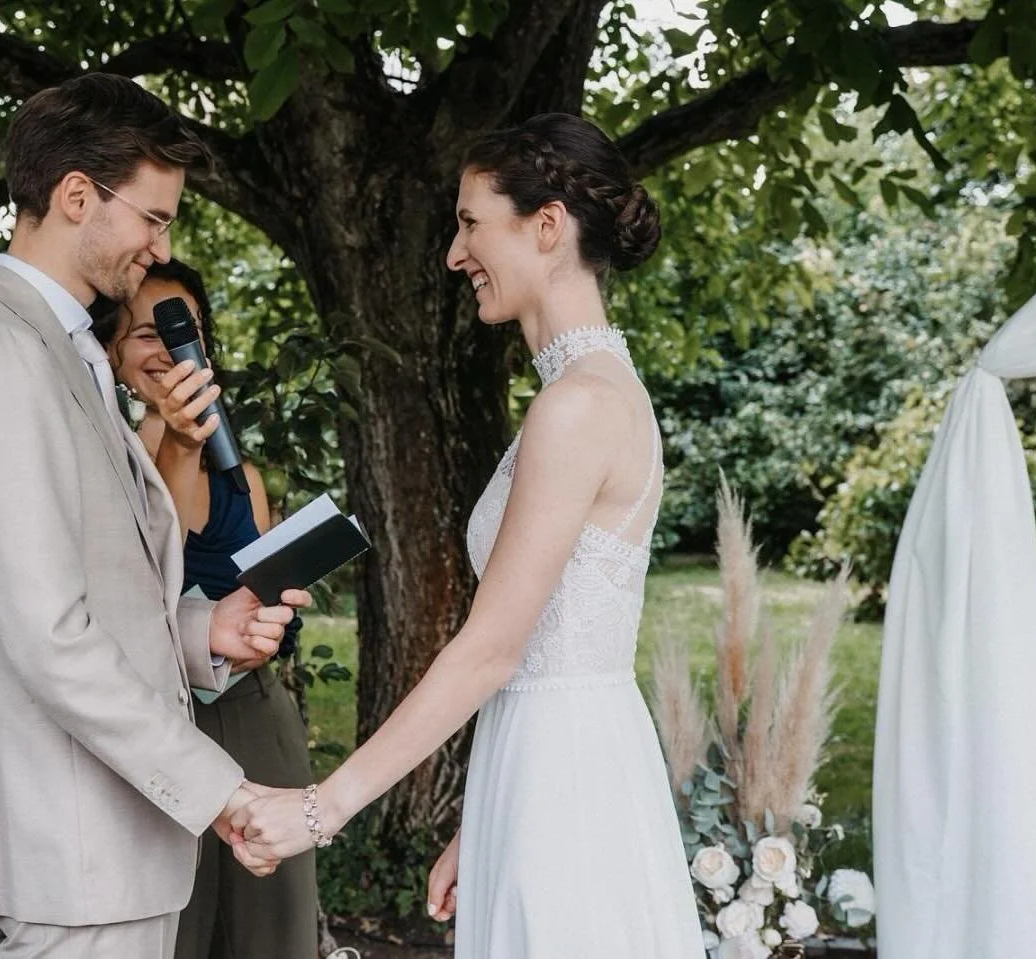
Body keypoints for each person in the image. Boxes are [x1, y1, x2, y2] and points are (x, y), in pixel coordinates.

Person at [231, 113, 708, 956]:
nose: (455, 255)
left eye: (470, 223)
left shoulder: (579, 406)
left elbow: (494, 647)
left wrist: (322, 806)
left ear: (547, 226)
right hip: (550, 768)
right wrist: (484, 818)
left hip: (567, 779)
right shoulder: (589, 391)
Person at [0, 73, 309, 959]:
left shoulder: (56, 347)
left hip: (107, 840)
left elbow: (98, 587)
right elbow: (49, 635)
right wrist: (221, 788)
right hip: (72, 839)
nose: (161, 244)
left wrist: (206, 629)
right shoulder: (0, 356)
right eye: (153, 217)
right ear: (77, 196)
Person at [92, 260, 320, 959]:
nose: (165, 348)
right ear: (110, 352)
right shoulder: (104, 467)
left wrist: (273, 619)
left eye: (181, 330)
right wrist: (178, 441)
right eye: (144, 333)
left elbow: (266, 602)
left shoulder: (243, 477)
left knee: (271, 933)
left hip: (255, 716)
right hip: (156, 728)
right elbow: (137, 580)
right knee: (174, 935)